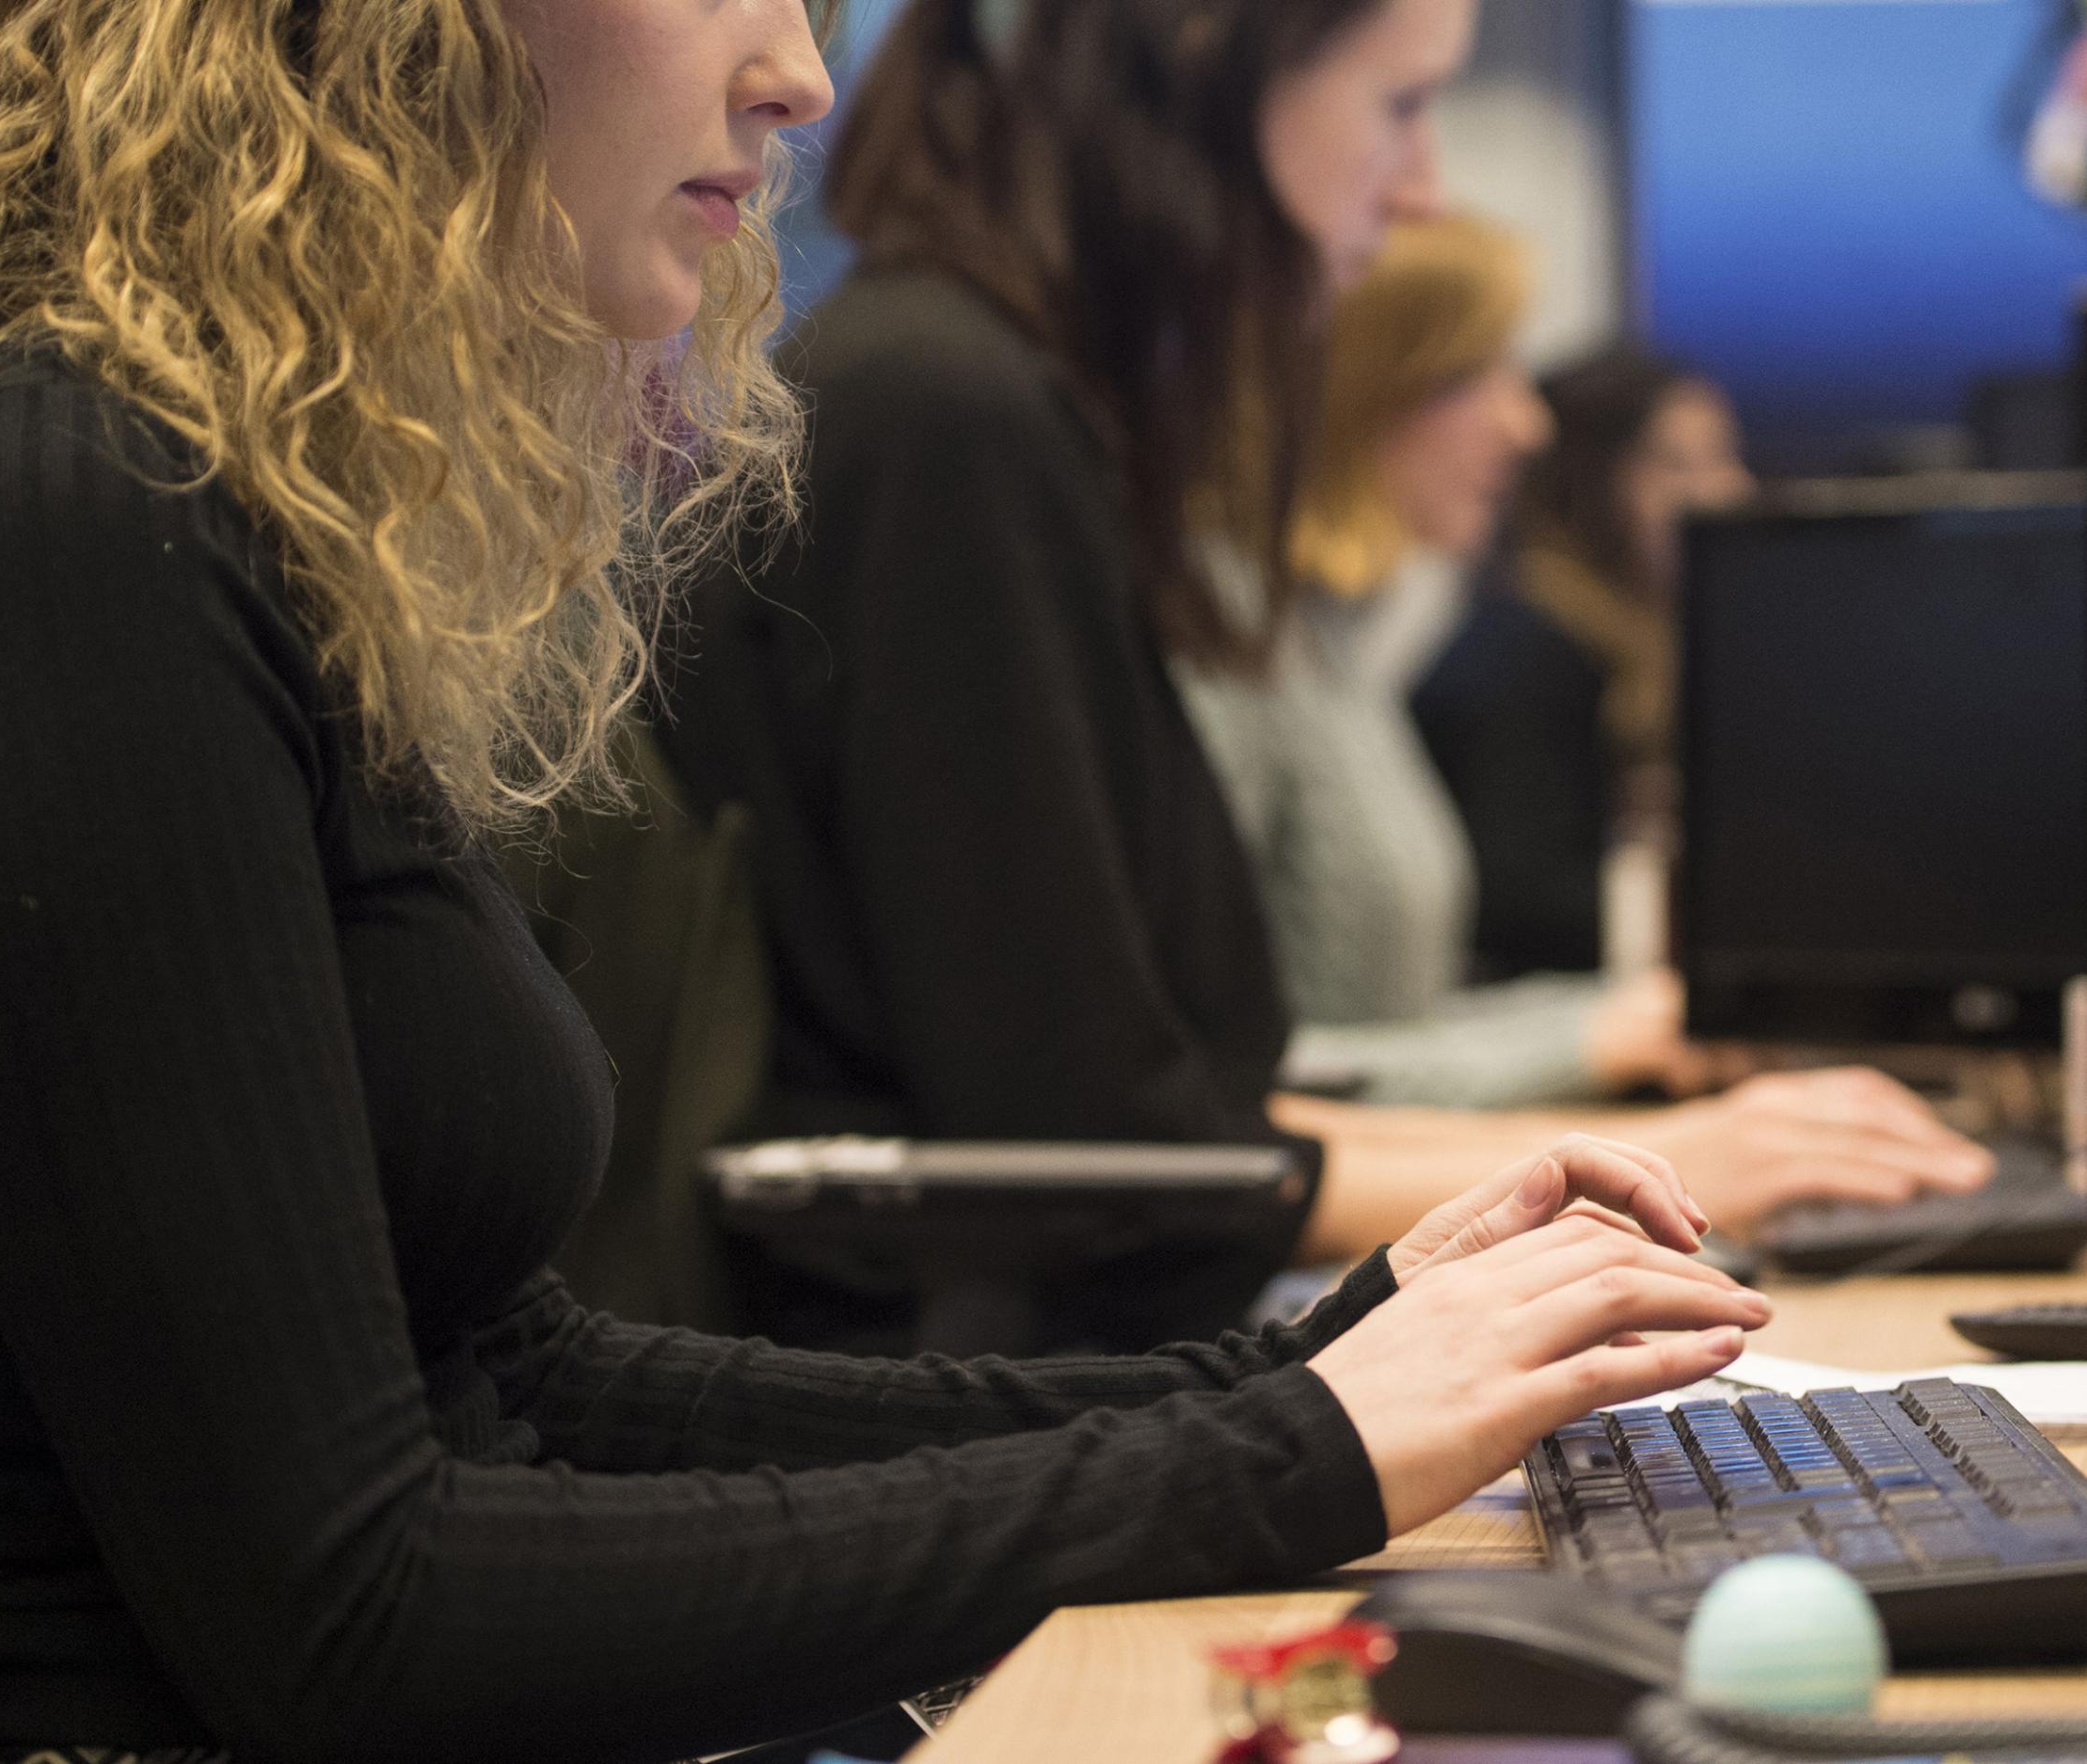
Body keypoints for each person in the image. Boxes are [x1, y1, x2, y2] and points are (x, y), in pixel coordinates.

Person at [0, 1, 1770, 1760]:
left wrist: (1290, 1372)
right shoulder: (46, 533)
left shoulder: (217, 521)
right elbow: (347, 1612)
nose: (799, 72)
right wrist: (1275, 1459)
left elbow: (518, 1373)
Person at [663, 0, 1989, 1335]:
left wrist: (1630, 1162)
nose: (1419, 192)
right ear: (1192, 83)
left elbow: (1171, 1122)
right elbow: (1106, 1157)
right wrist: (1664, 1166)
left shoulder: (1007, 408)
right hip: (970, 1417)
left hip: (1048, 1397)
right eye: (1402, 108)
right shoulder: (947, 412)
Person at [1175, 213, 1706, 1109]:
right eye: (1475, 374)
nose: (1528, 425)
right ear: (1356, 389)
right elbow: (1218, 1085)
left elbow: (1407, 1027)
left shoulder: (1316, 643)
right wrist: (1587, 1043)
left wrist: (1646, 1020)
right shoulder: (1219, 641)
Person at [1413, 347, 1757, 980]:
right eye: (1681, 466)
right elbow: (1515, 893)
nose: (1729, 491)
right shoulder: (1526, 644)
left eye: (1726, 457)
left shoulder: (1643, 640)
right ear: (1592, 478)